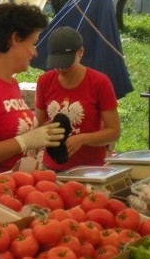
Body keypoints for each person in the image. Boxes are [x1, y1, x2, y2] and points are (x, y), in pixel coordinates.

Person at [0, 1, 65, 178]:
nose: (35, 53)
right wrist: (23, 142)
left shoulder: (12, 84)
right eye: (33, 43)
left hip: (20, 186)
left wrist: (43, 133)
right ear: (15, 39)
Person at [34, 26, 121, 170]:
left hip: (90, 169)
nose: (61, 69)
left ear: (81, 52)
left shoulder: (99, 82)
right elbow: (40, 125)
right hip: (52, 166)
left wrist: (82, 139)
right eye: (57, 63)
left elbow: (114, 132)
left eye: (67, 63)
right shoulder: (44, 81)